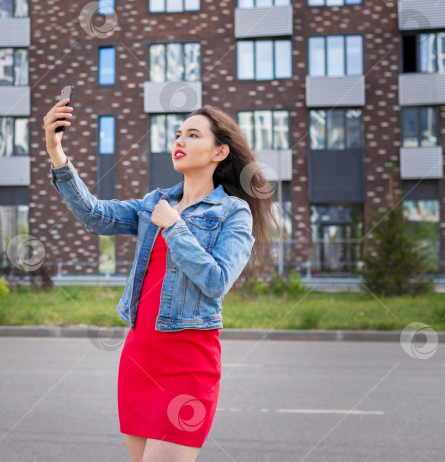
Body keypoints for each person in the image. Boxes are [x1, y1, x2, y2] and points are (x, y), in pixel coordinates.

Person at [43, 96, 281, 461]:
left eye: (192, 135)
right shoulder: (155, 202)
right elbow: (95, 215)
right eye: (177, 134)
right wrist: (57, 152)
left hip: (189, 364)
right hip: (140, 358)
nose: (179, 141)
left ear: (219, 152)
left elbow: (217, 281)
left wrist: (175, 227)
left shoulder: (233, 212)